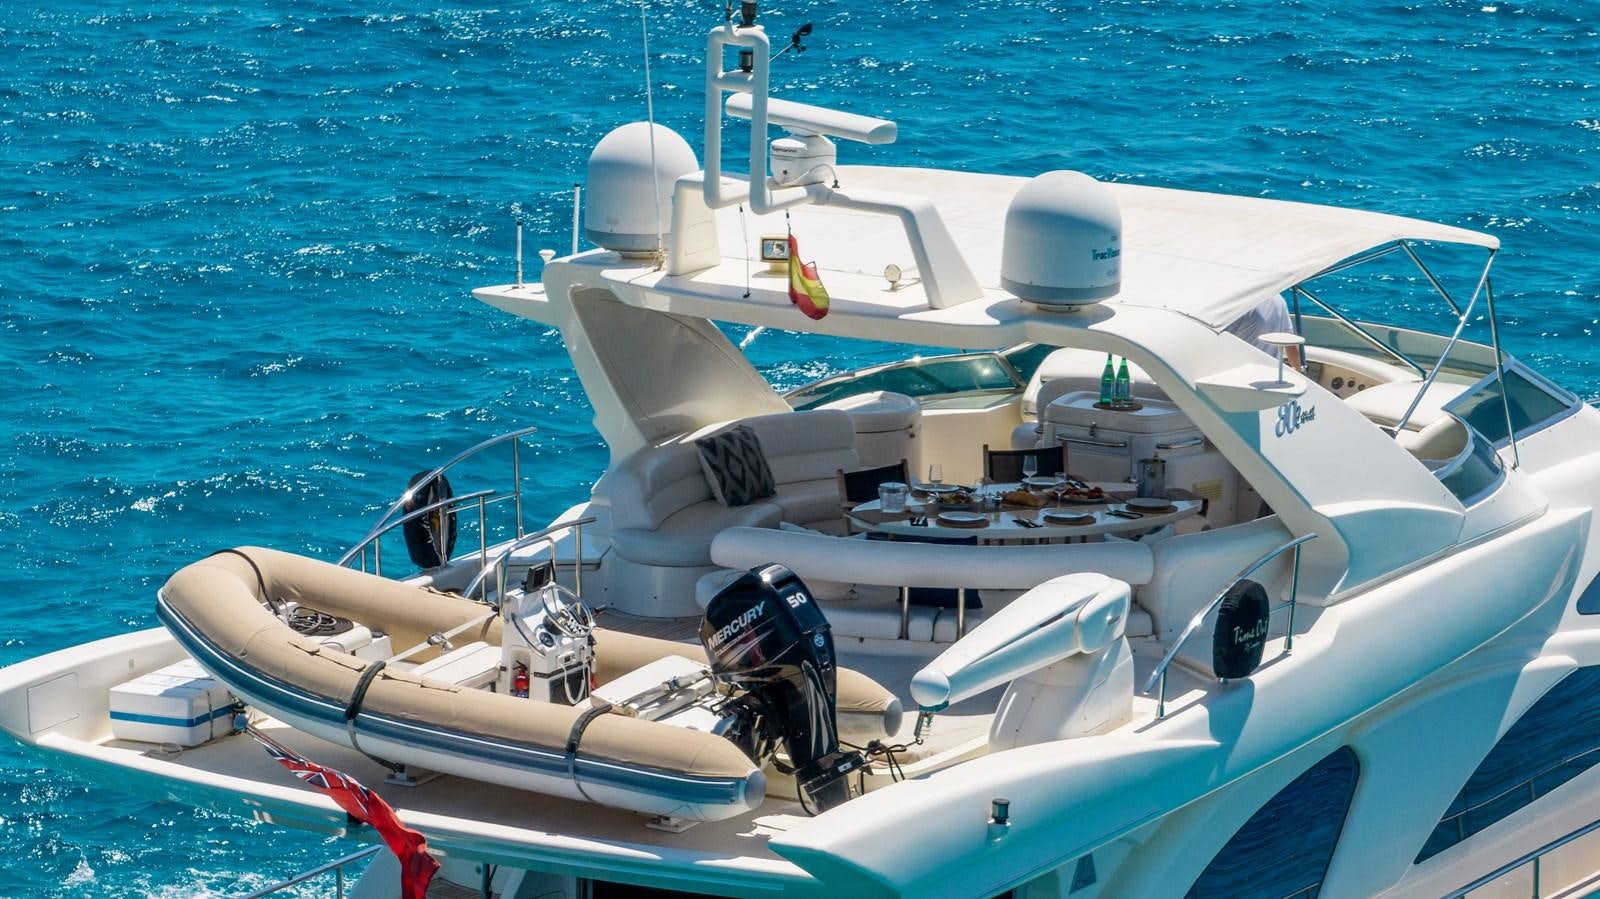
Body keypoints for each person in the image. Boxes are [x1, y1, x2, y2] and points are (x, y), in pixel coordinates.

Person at [1226, 293, 1303, 369]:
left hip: (1240, 371)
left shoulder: (1237, 302)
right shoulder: (1278, 299)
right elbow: (1290, 344)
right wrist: (1299, 371)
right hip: (1271, 371)